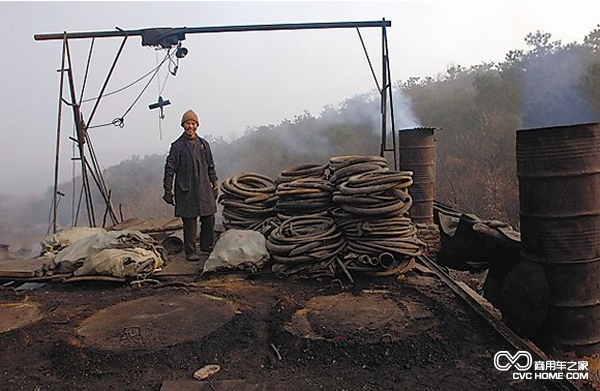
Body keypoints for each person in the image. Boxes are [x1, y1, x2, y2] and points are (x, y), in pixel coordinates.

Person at [162, 109, 219, 261]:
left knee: (209, 217)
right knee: (190, 221)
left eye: (193, 123)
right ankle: (190, 251)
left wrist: (215, 184)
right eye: (188, 123)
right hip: (185, 189)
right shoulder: (177, 146)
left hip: (204, 187)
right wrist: (167, 189)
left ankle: (206, 246)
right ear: (183, 125)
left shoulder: (204, 145)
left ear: (197, 125)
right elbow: (170, 168)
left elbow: (211, 166)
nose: (190, 126)